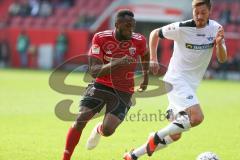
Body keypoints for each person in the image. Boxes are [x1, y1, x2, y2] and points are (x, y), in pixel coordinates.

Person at [124, 0, 227, 159]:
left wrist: (219, 45)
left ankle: (133, 156)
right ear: (192, 12)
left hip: (191, 85)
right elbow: (154, 34)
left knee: (175, 134)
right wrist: (153, 59)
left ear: (210, 12)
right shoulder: (182, 28)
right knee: (197, 117)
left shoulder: (216, 29)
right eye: (196, 13)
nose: (199, 16)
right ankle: (156, 137)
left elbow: (222, 59)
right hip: (176, 79)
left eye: (203, 13)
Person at [62, 9, 149, 160]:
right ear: (117, 24)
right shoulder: (101, 38)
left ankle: (98, 129)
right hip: (101, 84)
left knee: (108, 130)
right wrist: (118, 62)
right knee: (80, 119)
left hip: (123, 90)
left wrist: (146, 77)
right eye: (128, 25)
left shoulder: (139, 40)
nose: (131, 29)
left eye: (133, 25)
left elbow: (146, 54)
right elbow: (94, 72)